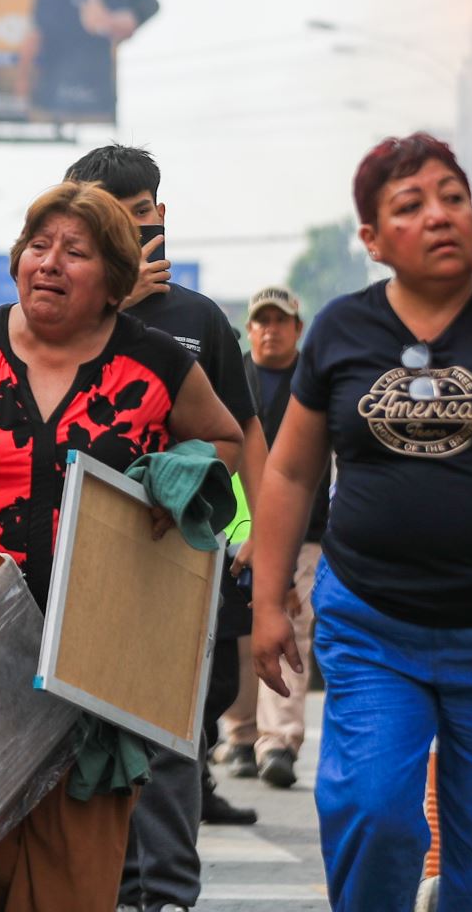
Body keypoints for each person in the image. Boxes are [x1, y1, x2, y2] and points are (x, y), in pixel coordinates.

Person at [0, 180, 243, 912]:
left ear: (113, 282)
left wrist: (177, 476)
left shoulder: (156, 363)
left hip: (99, 649)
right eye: (39, 246)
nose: (50, 263)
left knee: (76, 865)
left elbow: (224, 440)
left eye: (77, 252)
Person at [251, 133, 472, 909]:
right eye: (410, 206)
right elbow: (290, 469)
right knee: (372, 811)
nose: (441, 215)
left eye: (453, 195)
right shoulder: (342, 330)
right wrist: (268, 602)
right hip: (377, 625)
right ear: (374, 241)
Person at [61, 144, 267, 912]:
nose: (129, 232)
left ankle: (167, 896)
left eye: (139, 216)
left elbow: (244, 435)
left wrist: (262, 541)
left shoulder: (197, 320)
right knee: (76, 734)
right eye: (106, 219)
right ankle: (101, 888)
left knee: (171, 735)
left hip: (175, 558)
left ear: (159, 214)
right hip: (71, 562)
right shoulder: (58, 312)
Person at [217, 285, 327, 791]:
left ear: (297, 329)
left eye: (280, 321)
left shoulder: (318, 379)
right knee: (237, 632)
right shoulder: (229, 375)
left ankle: (279, 741)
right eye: (261, 321)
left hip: (304, 530)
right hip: (235, 529)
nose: (270, 329)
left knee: (289, 626)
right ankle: (239, 736)